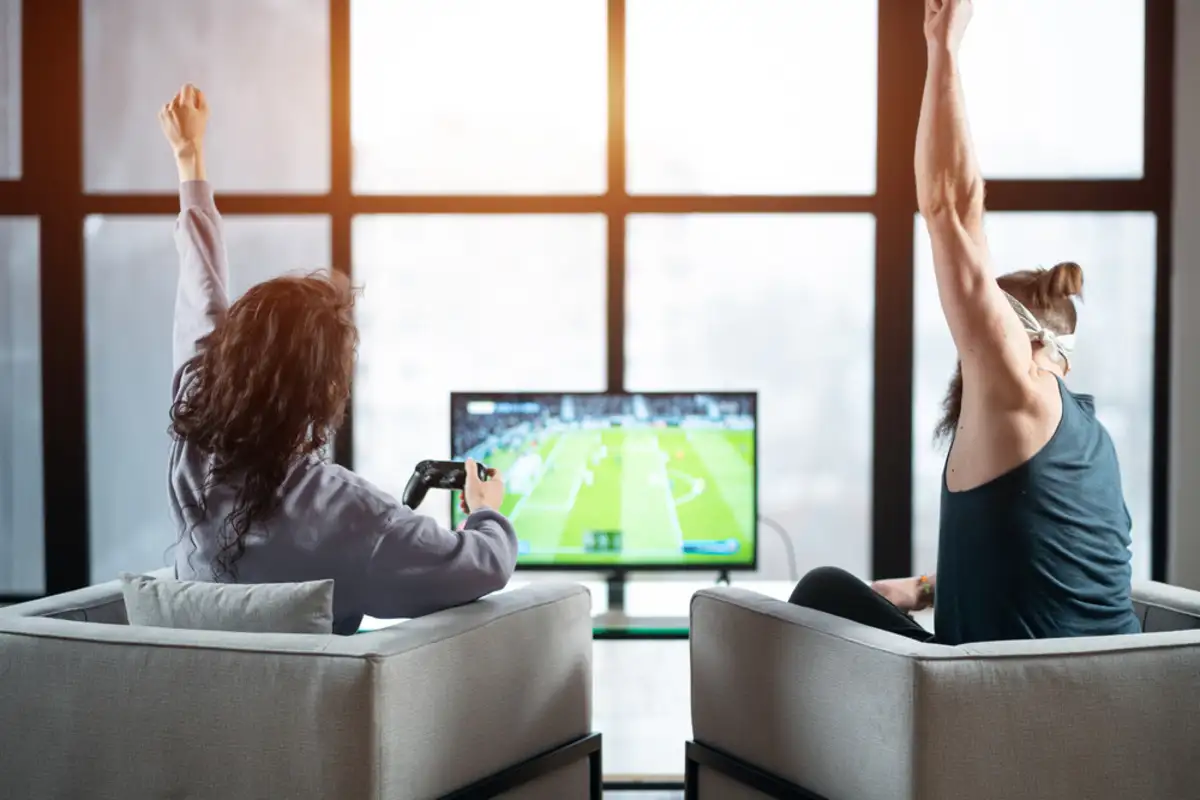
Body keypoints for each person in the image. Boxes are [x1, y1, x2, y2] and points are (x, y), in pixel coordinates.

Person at [789, 0, 1141, 646]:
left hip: (997, 710)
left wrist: (943, 48)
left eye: (981, 337)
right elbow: (1037, 569)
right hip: (1102, 705)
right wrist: (923, 589)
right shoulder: (1095, 444)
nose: (969, 354)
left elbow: (951, 207)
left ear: (1029, 341)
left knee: (818, 589)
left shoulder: (1018, 386)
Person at [159, 84, 518, 635]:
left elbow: (201, 288)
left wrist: (190, 159)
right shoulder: (352, 518)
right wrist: (485, 511)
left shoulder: (195, 436)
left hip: (191, 712)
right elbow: (484, 565)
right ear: (325, 389)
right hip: (305, 723)